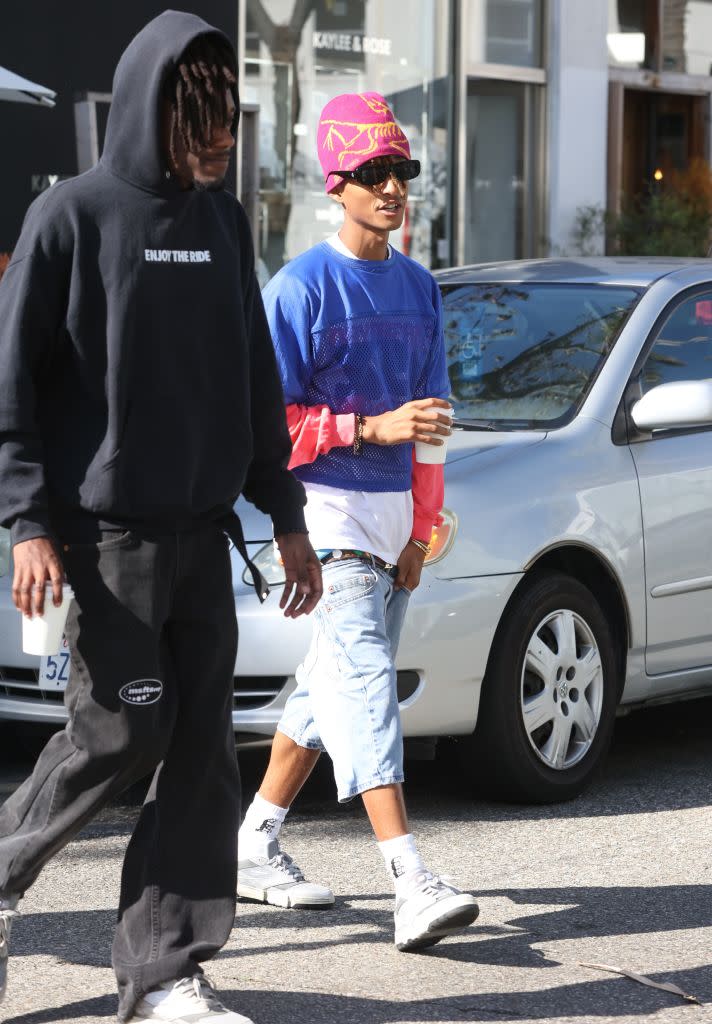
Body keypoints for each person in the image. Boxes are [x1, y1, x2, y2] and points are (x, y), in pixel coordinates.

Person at [0, 12, 322, 1024]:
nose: (218, 143)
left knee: (197, 758)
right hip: (104, 541)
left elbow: (256, 384)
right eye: (201, 124)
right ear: (153, 109)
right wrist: (25, 522)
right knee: (124, 727)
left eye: (228, 124)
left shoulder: (224, 225)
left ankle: (164, 974)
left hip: (202, 539)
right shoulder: (72, 220)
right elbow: (10, 389)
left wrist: (285, 513)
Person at [237, 92, 479, 952]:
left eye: (401, 172)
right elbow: (263, 427)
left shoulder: (418, 286)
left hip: (393, 523)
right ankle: (409, 876)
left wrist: (422, 530)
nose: (391, 188)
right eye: (373, 174)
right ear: (336, 184)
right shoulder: (298, 287)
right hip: (326, 512)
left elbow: (436, 417)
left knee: (327, 687)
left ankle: (254, 842)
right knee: (368, 681)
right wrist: (366, 427)